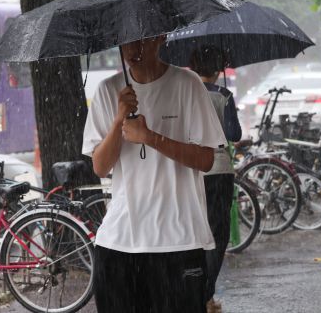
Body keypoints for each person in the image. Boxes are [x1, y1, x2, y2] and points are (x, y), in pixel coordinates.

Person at [82, 36, 225, 313]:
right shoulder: (108, 90)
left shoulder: (187, 84)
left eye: (141, 41)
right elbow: (100, 166)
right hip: (120, 241)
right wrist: (118, 120)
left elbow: (206, 160)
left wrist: (150, 137)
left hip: (179, 240)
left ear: (161, 38)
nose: (133, 50)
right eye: (125, 42)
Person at [188, 45, 242, 313]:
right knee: (217, 235)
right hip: (219, 169)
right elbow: (234, 134)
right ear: (217, 70)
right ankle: (206, 295)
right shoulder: (224, 95)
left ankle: (193, 292)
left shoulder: (184, 94)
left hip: (190, 170)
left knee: (194, 234)